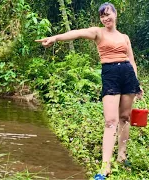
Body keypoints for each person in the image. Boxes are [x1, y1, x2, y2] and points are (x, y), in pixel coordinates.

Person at [35, 2, 143, 179]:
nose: (105, 18)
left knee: (125, 117)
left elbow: (131, 60)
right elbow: (76, 34)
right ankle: (105, 167)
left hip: (128, 76)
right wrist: (55, 38)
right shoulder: (97, 32)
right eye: (102, 15)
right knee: (110, 121)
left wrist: (136, 83)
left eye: (108, 14)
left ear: (115, 14)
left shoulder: (124, 37)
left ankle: (122, 156)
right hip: (110, 75)